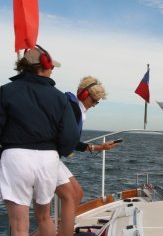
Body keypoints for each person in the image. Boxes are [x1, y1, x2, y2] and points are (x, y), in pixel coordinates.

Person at [0, 45, 80, 236]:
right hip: (48, 160)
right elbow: (70, 136)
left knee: (19, 226)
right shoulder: (60, 98)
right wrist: (57, 151)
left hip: (16, 158)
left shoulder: (7, 91)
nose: (53, 71)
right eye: (52, 67)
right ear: (43, 67)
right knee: (44, 217)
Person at [52, 76, 120, 236]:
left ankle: (64, 230)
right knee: (70, 197)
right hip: (47, 157)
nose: (95, 105)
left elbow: (71, 140)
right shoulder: (73, 109)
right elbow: (67, 139)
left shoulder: (76, 109)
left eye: (98, 102)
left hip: (54, 157)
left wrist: (98, 147)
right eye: (94, 101)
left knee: (78, 194)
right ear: (83, 95)